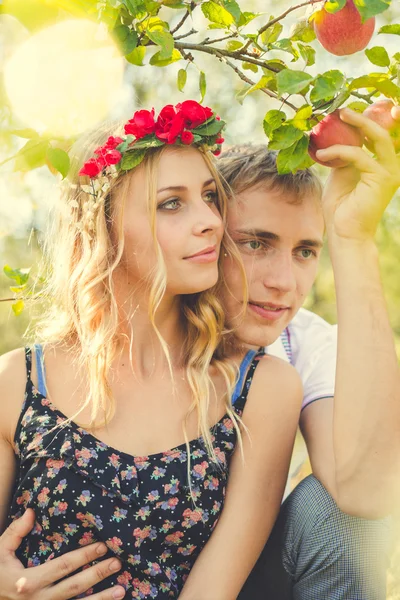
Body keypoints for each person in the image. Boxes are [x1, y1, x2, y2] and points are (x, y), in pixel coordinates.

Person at [0, 101, 302, 599]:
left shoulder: (258, 389)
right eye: (171, 203)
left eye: (210, 197)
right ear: (105, 226)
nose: (210, 221)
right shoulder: (21, 381)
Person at [216, 107, 400, 599]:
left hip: (249, 581)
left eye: (305, 252)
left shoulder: (304, 340)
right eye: (256, 243)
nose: (283, 283)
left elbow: (365, 491)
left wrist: (352, 239)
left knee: (341, 514)